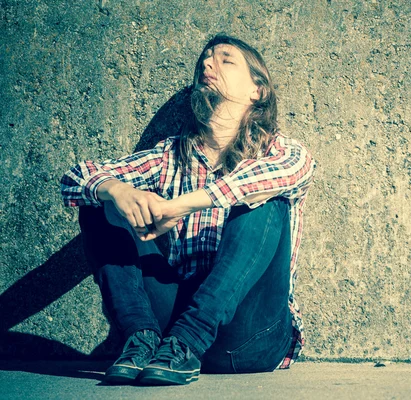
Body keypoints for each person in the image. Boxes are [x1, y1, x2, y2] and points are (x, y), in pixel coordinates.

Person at [60, 34, 316, 385]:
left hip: (250, 336)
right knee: (99, 200)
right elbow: (76, 177)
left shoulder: (279, 152)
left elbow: (287, 172)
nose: (208, 64)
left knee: (265, 199)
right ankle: (141, 338)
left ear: (258, 90)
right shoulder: (170, 156)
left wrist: (180, 205)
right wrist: (116, 190)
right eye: (205, 61)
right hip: (172, 340)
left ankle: (190, 335)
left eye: (225, 60)